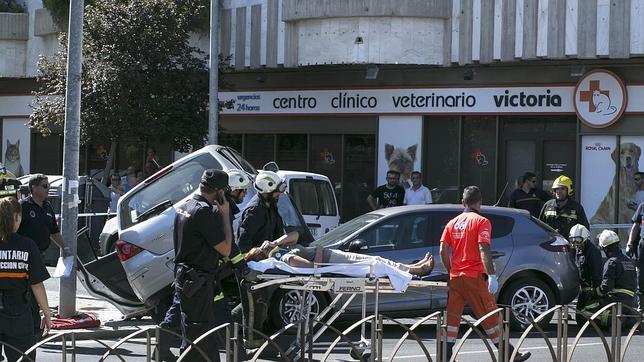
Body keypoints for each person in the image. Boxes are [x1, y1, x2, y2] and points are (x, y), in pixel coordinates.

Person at [439, 186, 531, 362]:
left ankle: (444, 357)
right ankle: (510, 354)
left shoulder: (452, 223)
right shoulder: (481, 221)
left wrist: (450, 270)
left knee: (451, 319)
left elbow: (443, 248)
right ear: (479, 202)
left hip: (456, 278)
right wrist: (492, 275)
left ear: (463, 203)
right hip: (474, 277)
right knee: (490, 315)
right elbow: (483, 248)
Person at [159, 169, 232, 361]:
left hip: (186, 277)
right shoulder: (203, 212)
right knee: (199, 333)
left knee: (194, 329)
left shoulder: (185, 206)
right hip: (198, 280)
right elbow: (225, 249)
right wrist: (225, 215)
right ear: (220, 191)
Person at [16, 174, 69, 343]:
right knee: (29, 292)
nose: (48, 189)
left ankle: (34, 328)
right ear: (34, 188)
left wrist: (64, 247)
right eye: (45, 186)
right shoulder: (23, 206)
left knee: (34, 291)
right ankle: (31, 328)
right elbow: (12, 231)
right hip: (23, 257)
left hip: (39, 255)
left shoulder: (47, 207)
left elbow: (53, 231)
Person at [0, 197, 52, 362]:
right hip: (19, 313)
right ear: (17, 217)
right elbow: (37, 284)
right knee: (23, 358)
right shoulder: (27, 246)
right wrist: (47, 314)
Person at [245, 239, 434, 276]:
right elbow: (311, 267)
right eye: (262, 246)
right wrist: (318, 254)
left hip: (332, 256)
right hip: (331, 260)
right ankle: (416, 270)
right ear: (262, 252)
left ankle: (414, 267)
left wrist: (276, 242)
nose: (266, 242)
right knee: (375, 263)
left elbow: (294, 234)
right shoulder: (277, 255)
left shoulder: (278, 248)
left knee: (377, 260)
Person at [583, 230, 637, 329]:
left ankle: (617, 321)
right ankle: (631, 320)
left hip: (615, 300)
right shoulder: (629, 262)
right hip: (630, 302)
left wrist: (593, 293)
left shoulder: (611, 262)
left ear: (606, 248)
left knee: (585, 312)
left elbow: (606, 287)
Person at [568, 224, 603, 325]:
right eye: (572, 240)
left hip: (590, 292)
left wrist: (595, 295)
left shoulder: (593, 252)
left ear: (585, 238)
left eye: (578, 240)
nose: (575, 244)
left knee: (585, 320)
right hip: (582, 292)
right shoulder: (579, 250)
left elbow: (596, 274)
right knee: (580, 319)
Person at [538, 175, 589, 241]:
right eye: (557, 189)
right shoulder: (547, 206)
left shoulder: (576, 208)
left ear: (569, 190)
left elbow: (584, 229)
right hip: (550, 246)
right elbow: (539, 227)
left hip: (569, 247)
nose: (559, 191)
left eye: (562, 189)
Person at [627, 201, 644, 310]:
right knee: (641, 276)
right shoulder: (643, 206)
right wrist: (630, 243)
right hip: (643, 244)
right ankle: (641, 307)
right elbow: (636, 225)